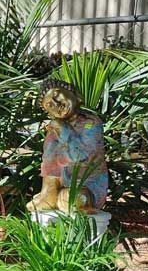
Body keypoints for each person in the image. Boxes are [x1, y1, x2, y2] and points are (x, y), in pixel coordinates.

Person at [28, 80, 108, 214]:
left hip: (88, 184)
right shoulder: (54, 128)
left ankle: (58, 197)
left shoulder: (91, 123)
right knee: (55, 198)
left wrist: (64, 130)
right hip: (61, 183)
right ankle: (50, 194)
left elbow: (81, 156)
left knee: (71, 201)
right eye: (49, 105)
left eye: (57, 95)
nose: (56, 104)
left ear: (75, 95)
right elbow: (49, 161)